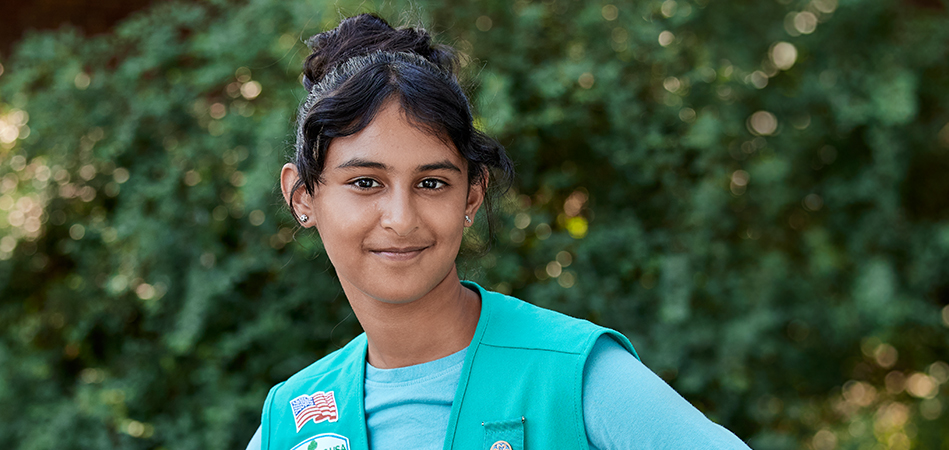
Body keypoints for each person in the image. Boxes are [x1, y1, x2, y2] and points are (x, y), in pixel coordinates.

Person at [246, 13, 751, 450]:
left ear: (471, 195)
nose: (401, 217)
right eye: (365, 182)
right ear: (302, 197)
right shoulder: (291, 419)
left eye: (431, 182)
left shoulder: (571, 374)